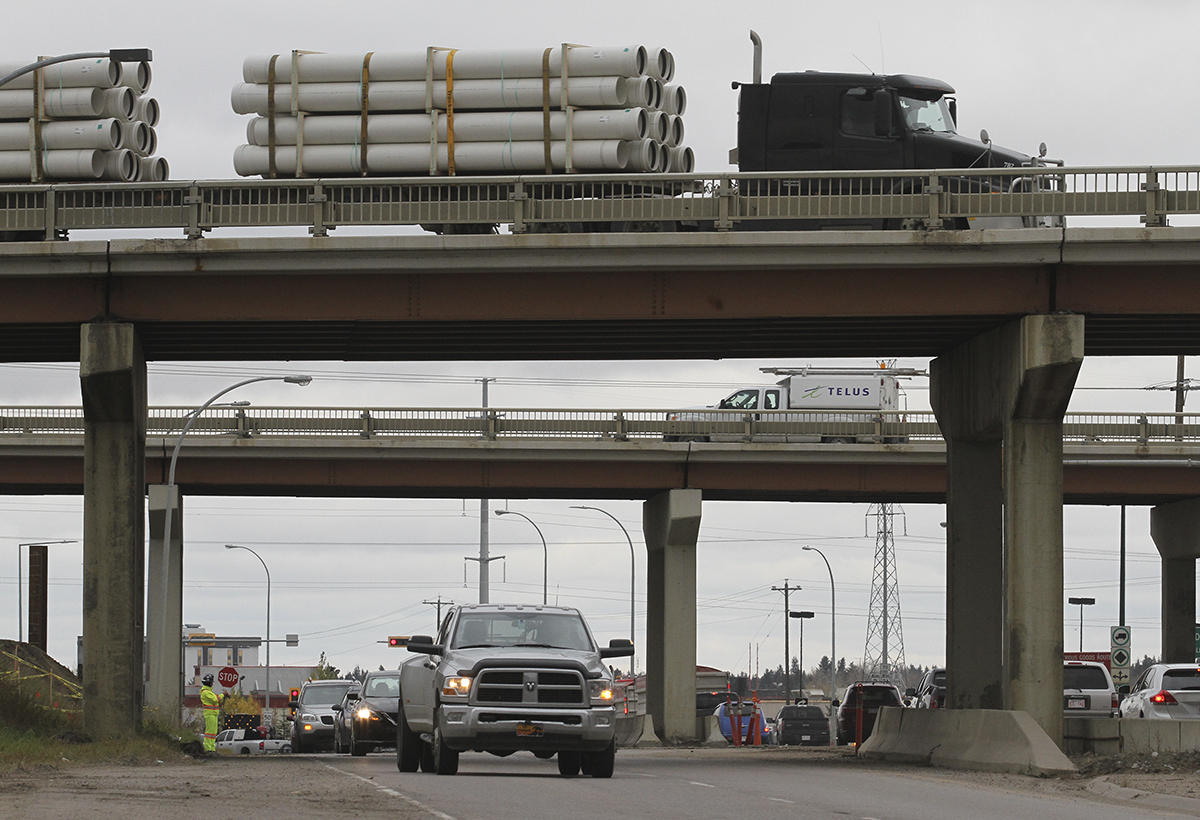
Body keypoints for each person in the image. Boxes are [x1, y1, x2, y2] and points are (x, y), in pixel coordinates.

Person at [200, 673, 222, 753]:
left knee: (213, 733)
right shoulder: (206, 692)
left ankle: (212, 748)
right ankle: (208, 748)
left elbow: (217, 699)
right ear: (209, 683)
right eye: (212, 682)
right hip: (210, 713)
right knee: (209, 732)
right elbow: (215, 699)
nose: (212, 684)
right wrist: (223, 695)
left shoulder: (210, 692)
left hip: (213, 714)